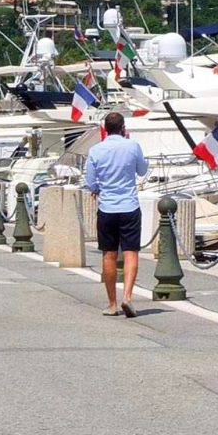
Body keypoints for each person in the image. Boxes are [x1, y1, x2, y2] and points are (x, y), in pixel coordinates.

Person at [86, 112, 148, 318]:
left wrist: (99, 187)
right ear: (123, 128)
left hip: (107, 208)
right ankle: (127, 297)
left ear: (105, 128)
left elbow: (91, 183)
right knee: (131, 252)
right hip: (129, 206)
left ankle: (112, 303)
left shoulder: (95, 150)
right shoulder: (132, 146)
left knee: (109, 254)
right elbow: (142, 170)